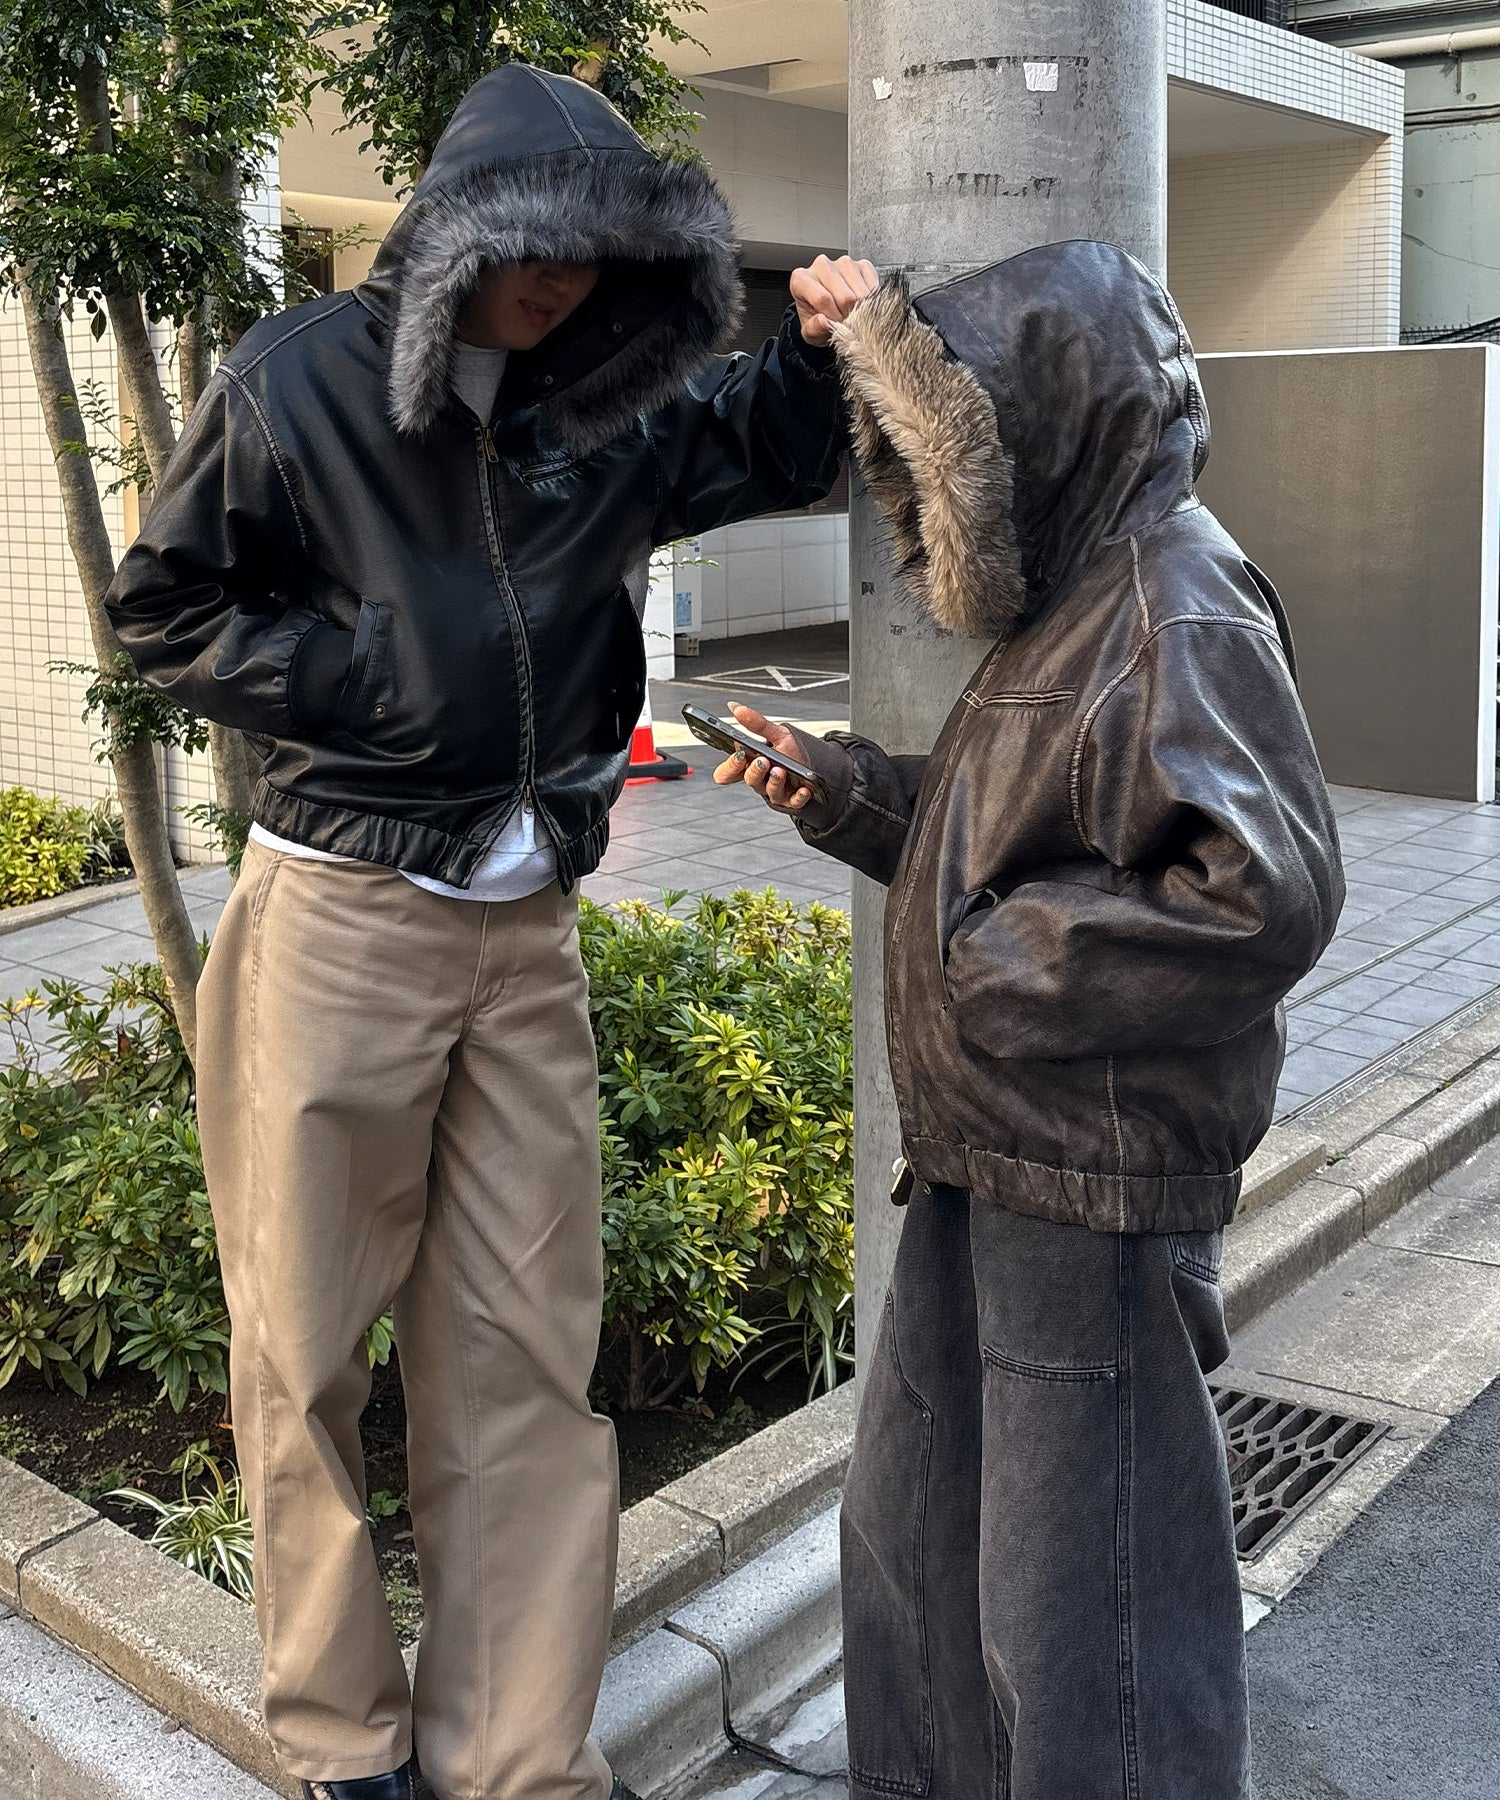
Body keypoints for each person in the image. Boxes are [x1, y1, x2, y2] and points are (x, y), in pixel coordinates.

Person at [105, 62, 875, 1800]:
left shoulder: (604, 400)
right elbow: (166, 603)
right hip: (338, 914)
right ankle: (342, 1741)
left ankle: (516, 1760)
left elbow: (760, 438)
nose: (565, 282)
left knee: (528, 1358)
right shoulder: (297, 383)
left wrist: (822, 345)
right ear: (459, 235)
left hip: (526, 937)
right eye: (539, 248)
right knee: (302, 1349)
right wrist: (369, 673)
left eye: (599, 255)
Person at [717, 240, 1344, 1800]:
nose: (945, 504)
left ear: (1053, 423)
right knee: (923, 1548)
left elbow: (1263, 893)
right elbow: (1005, 842)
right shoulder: (1084, 600)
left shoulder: (1177, 600)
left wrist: (993, 965)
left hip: (1088, 1184)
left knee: (1091, 1616)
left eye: (957, 456)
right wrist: (844, 791)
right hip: (1001, 1159)